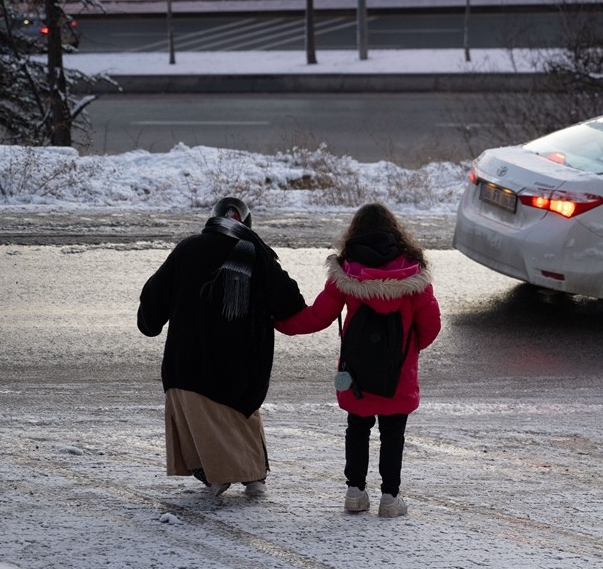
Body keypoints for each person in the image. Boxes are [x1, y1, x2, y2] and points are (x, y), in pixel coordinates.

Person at [277, 203, 440, 518]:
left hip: (353, 373)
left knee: (357, 427)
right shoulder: (414, 275)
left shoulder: (346, 273)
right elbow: (431, 327)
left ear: (355, 232)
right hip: (399, 374)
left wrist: (278, 322)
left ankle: (355, 492)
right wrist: (410, 351)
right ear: (396, 233)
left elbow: (317, 317)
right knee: (393, 434)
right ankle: (390, 498)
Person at [138, 197, 306, 498]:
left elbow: (152, 302)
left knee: (200, 420)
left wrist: (150, 323)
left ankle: (215, 475)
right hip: (239, 371)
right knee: (241, 417)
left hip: (186, 366)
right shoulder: (255, 254)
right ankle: (253, 479)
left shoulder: (187, 249)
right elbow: (290, 303)